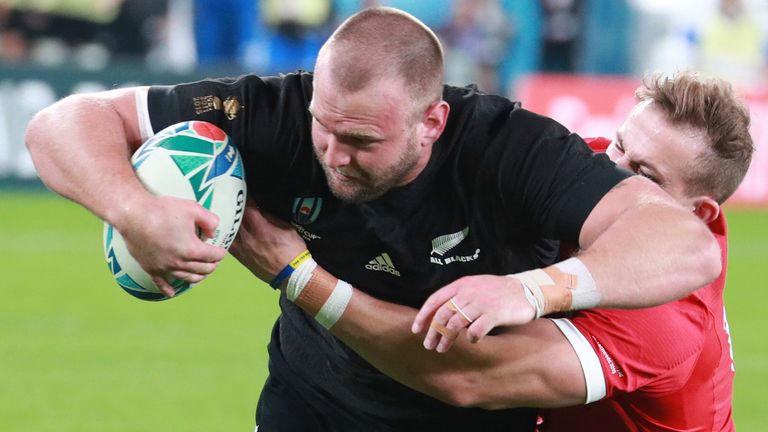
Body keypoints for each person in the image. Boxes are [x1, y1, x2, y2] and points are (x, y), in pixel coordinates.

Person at [25, 7, 722, 431]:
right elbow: (64, 121)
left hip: (461, 423)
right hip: (311, 402)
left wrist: (532, 289)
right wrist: (134, 211)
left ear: (433, 122)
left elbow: (685, 249)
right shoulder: (278, 113)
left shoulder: (512, 150)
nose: (333, 154)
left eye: (362, 141)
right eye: (325, 127)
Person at [231, 70, 752, 431]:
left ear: (699, 214)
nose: (613, 170)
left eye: (645, 175)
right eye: (618, 144)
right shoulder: (593, 177)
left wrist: (298, 274)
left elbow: (464, 376)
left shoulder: (664, 317)